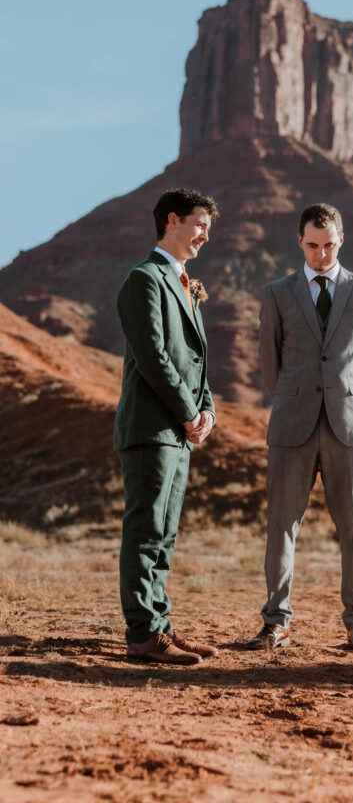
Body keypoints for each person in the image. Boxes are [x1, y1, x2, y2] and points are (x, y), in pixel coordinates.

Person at [247, 203, 353, 651]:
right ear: (299, 242)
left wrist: (351, 399)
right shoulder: (278, 292)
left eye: (328, 246)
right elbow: (270, 359)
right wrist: (290, 397)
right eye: (312, 246)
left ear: (340, 241)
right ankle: (276, 621)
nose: (320, 254)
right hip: (292, 423)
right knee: (281, 525)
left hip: (349, 425)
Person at [115, 188, 220, 665]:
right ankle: (143, 634)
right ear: (172, 220)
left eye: (208, 228)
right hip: (152, 428)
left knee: (165, 533)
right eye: (200, 224)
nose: (205, 235)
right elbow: (153, 357)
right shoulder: (145, 280)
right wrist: (186, 412)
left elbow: (196, 363)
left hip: (178, 432)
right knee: (145, 529)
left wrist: (208, 412)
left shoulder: (184, 284)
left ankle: (160, 625)